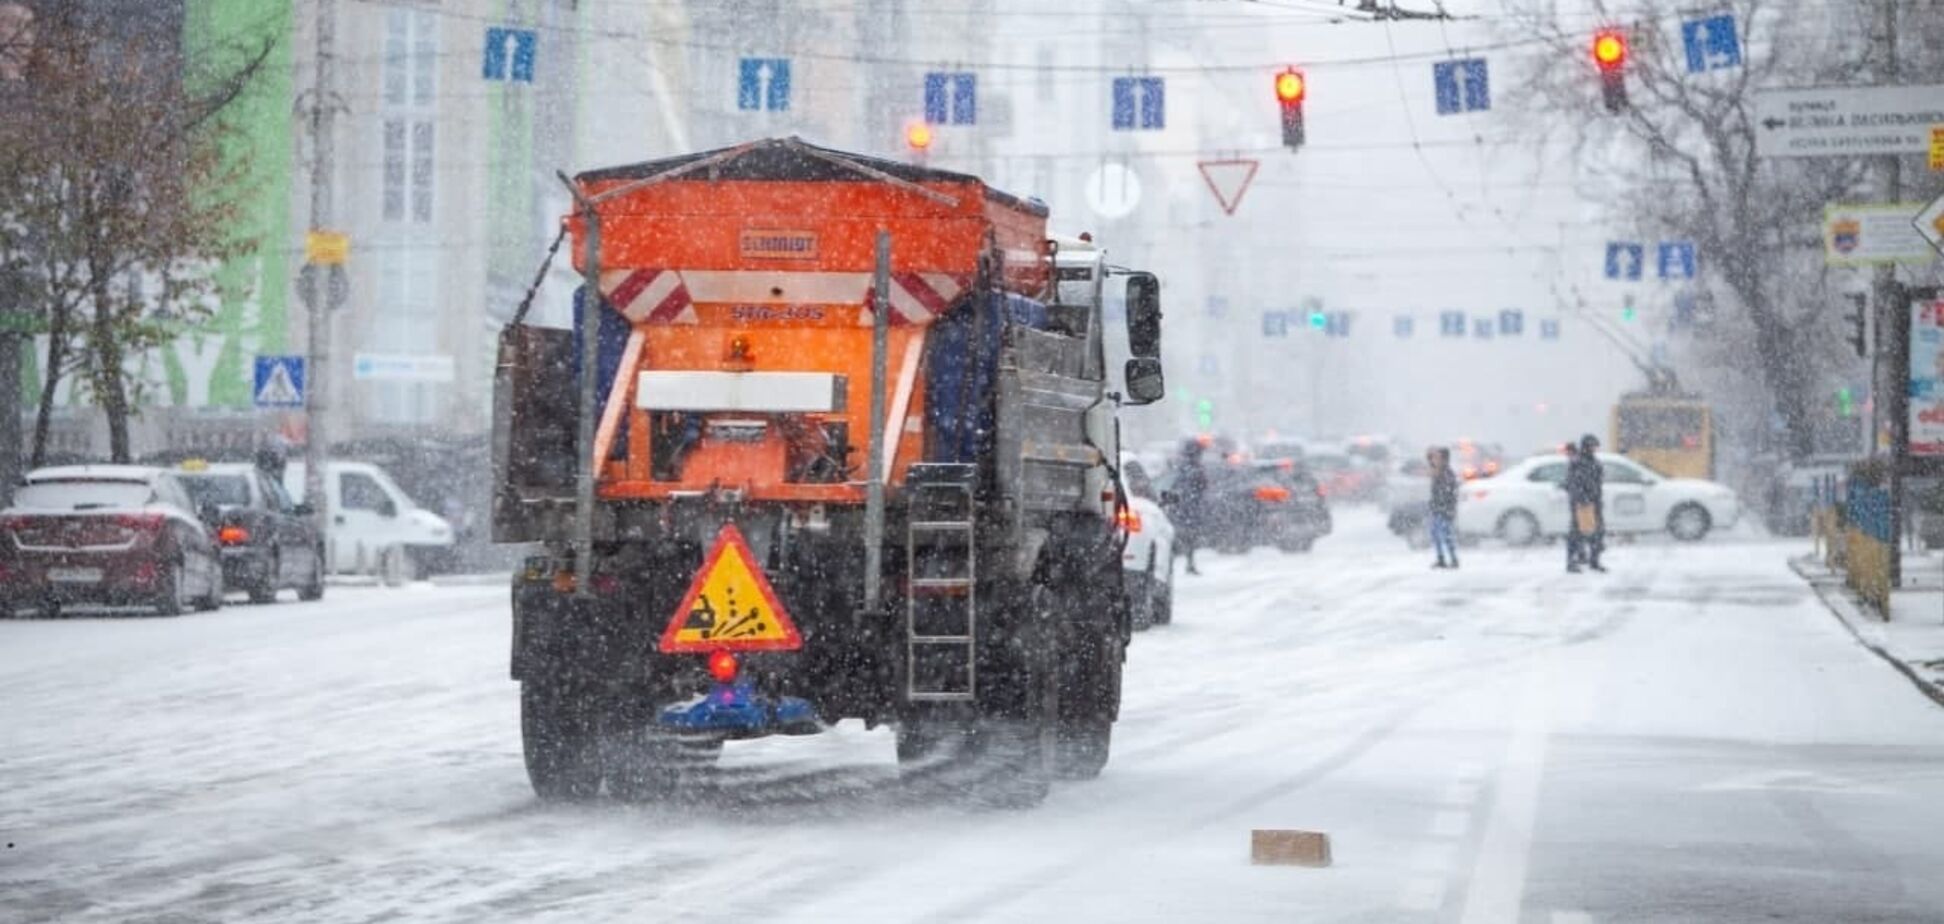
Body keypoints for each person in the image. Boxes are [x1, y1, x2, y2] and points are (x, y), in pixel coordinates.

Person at [1566, 433, 1606, 573]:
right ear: (1587, 447)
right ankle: (1572, 562)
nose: (1595, 449)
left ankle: (1594, 561)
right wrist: (1582, 500)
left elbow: (1597, 483)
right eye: (1593, 446)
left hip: (1594, 502)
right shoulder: (1578, 463)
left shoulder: (1594, 462)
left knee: (1597, 532)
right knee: (1577, 534)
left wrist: (1597, 500)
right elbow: (1573, 484)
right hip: (1582, 504)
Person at [1171, 439, 1210, 575]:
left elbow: (1177, 486)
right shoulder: (1193, 468)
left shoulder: (1183, 467)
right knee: (1188, 536)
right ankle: (1189, 562)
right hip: (1189, 509)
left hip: (1184, 508)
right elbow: (1201, 487)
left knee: (1186, 536)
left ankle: (1188, 561)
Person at [1427, 446, 1460, 569]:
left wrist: (1446, 507)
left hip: (1444, 510)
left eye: (1438, 458)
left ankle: (1451, 559)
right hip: (1439, 509)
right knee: (1438, 534)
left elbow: (1448, 494)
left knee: (1445, 535)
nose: (1435, 460)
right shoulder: (1439, 472)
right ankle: (1444, 558)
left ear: (1444, 459)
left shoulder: (1447, 474)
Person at [1562, 441, 1585, 568]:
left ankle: (1576, 557)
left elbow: (1571, 481)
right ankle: (1581, 555)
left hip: (1577, 499)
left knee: (1576, 529)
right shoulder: (1577, 460)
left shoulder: (1574, 462)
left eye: (1567, 451)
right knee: (1579, 529)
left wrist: (1567, 487)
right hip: (1580, 499)